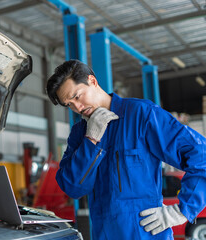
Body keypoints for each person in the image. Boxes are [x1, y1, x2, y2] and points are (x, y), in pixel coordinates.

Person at [46, 59, 206, 239]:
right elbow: (73, 187)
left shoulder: (141, 115)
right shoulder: (80, 133)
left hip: (146, 233)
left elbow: (201, 155)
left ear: (92, 81)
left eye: (77, 97)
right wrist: (91, 140)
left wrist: (182, 211)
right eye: (69, 105)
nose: (77, 108)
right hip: (104, 234)